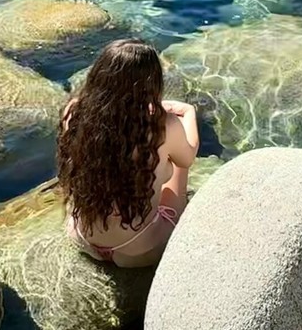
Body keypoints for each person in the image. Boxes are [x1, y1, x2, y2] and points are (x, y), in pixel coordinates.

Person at [57, 38, 199, 268]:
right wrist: (188, 112)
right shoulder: (162, 124)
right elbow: (188, 157)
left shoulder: (73, 112)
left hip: (82, 237)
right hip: (139, 249)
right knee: (177, 165)